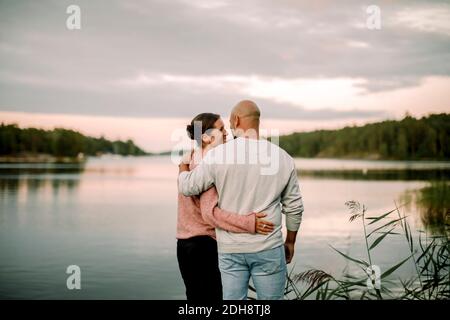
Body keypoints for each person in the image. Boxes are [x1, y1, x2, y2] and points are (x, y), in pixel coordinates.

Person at [178, 101, 304, 300]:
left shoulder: (216, 156)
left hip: (230, 249)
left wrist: (182, 166)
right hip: (268, 245)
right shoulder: (283, 157)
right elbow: (295, 207)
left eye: (228, 123)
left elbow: (187, 187)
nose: (227, 130)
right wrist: (290, 242)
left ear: (236, 120)